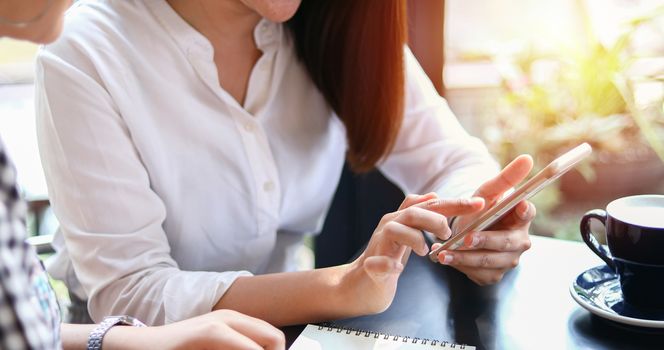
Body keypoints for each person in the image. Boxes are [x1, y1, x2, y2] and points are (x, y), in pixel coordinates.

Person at [36, 0, 537, 327]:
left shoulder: (332, 19)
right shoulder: (85, 51)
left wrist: (476, 217)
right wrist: (344, 286)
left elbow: (452, 159)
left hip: (286, 328)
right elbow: (130, 296)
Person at [0, 0, 285, 349]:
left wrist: (140, 341)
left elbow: (35, 334)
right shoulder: (87, 43)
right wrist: (342, 287)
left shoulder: (308, 32)